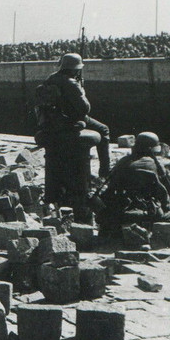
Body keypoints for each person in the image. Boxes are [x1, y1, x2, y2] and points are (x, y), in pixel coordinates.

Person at [34, 52, 111, 220]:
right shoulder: (72, 83)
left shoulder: (51, 79)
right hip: (70, 121)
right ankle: (105, 170)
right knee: (104, 130)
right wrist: (81, 90)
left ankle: (55, 196)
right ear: (76, 69)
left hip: (51, 124)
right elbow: (84, 109)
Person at [96, 131, 170, 244]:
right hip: (149, 213)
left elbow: (110, 191)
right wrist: (167, 208)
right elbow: (162, 194)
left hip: (123, 213)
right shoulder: (155, 166)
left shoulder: (122, 163)